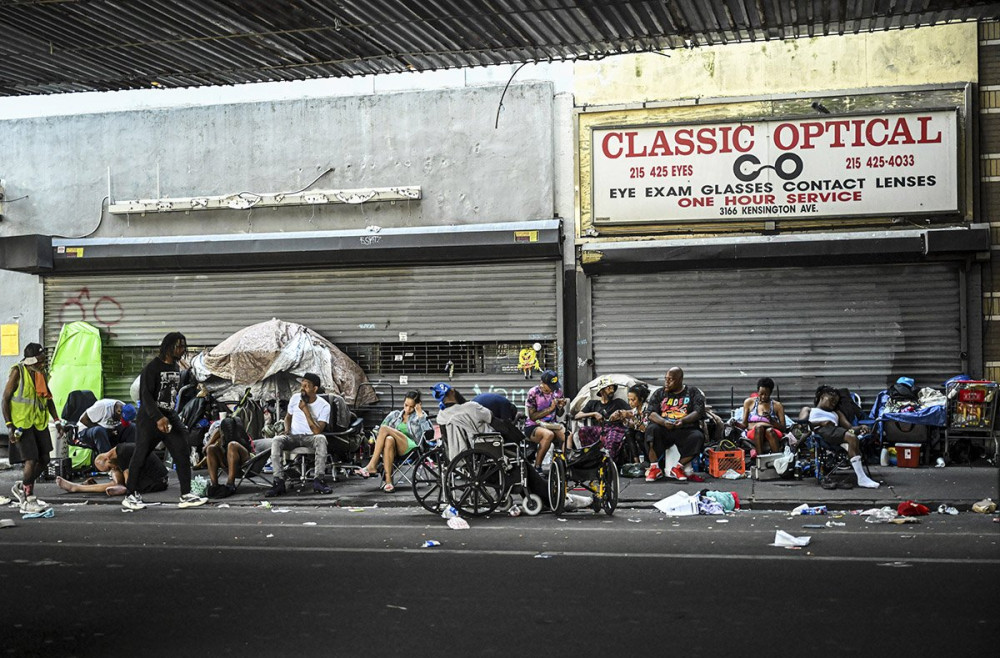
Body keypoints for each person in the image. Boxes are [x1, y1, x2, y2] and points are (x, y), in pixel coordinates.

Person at [122, 332, 207, 511]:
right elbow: (145, 396)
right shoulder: (153, 368)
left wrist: (170, 418)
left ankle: (186, 494)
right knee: (141, 455)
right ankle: (130, 495)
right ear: (168, 347)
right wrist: (158, 417)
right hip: (149, 418)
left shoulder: (176, 367)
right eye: (178, 346)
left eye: (183, 346)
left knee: (182, 449)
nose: (182, 349)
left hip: (169, 415)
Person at [2, 343, 62, 513]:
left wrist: (57, 421)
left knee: (45, 460)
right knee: (31, 459)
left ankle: (22, 486)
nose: (42, 365)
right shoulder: (17, 372)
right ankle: (28, 499)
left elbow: (48, 399)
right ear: (31, 360)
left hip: (38, 422)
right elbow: (5, 400)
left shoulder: (39, 374)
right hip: (21, 424)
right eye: (40, 361)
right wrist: (9, 426)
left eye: (44, 361)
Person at [265, 373, 333, 497]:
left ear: (315, 389)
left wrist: (306, 410)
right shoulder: (295, 398)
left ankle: (319, 480)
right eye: (302, 385)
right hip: (293, 436)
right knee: (276, 440)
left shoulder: (324, 405)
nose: (302, 389)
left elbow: (317, 431)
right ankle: (278, 481)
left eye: (306, 386)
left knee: (321, 439)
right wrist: (286, 429)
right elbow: (288, 417)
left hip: (310, 437)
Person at [355, 390, 432, 493]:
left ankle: (372, 465)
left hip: (412, 449)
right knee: (388, 439)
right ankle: (389, 482)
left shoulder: (420, 416)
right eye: (406, 405)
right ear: (403, 402)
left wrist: (419, 413)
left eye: (411, 406)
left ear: (417, 405)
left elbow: (429, 435)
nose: (408, 409)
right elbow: (378, 431)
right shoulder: (394, 415)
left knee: (384, 429)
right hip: (394, 449)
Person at [808, 387, 880, 489]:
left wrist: (860, 427)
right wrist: (821, 422)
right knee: (851, 437)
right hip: (821, 432)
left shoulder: (836, 413)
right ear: (822, 397)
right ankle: (862, 478)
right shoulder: (810, 410)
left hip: (837, 433)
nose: (833, 403)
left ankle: (862, 477)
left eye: (836, 402)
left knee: (852, 438)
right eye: (831, 400)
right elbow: (802, 423)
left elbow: (849, 428)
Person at [644, 367, 706, 483]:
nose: (666, 382)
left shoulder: (692, 392)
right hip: (664, 428)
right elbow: (650, 413)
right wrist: (663, 422)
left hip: (685, 429)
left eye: (670, 379)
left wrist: (683, 421)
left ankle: (678, 467)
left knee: (698, 436)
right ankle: (654, 468)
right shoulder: (660, 393)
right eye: (666, 379)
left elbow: (699, 411)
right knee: (651, 430)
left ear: (680, 380)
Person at [55, 443, 168, 497]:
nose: (112, 469)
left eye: (109, 467)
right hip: (157, 478)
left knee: (117, 482)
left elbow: (130, 484)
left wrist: (120, 486)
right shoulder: (119, 451)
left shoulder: (122, 453)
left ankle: (77, 488)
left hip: (157, 481)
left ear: (107, 458)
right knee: (116, 472)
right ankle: (118, 485)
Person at [204, 416, 268, 498]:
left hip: (247, 462)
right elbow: (218, 432)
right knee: (211, 448)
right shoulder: (221, 435)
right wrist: (207, 445)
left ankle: (230, 484)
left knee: (232, 445)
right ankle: (214, 485)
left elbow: (247, 449)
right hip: (228, 461)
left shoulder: (241, 435)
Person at [574, 376, 630, 459]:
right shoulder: (593, 403)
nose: (612, 391)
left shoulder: (618, 402)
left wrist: (620, 413)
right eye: (608, 388)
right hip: (599, 429)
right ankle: (590, 457)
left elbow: (632, 412)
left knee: (611, 439)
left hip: (615, 428)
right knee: (583, 431)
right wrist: (594, 414)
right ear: (602, 391)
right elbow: (577, 416)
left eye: (612, 388)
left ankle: (608, 462)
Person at [524, 369, 568, 472]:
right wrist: (550, 409)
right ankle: (537, 466)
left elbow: (559, 414)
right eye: (550, 387)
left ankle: (565, 464)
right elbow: (532, 416)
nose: (553, 390)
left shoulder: (558, 391)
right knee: (548, 435)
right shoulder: (533, 393)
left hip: (551, 424)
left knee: (567, 434)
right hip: (534, 425)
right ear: (542, 383)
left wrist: (560, 407)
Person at [737, 377, 786, 455]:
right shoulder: (749, 402)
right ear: (758, 391)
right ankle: (761, 458)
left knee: (769, 431)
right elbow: (744, 425)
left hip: (772, 431)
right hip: (754, 431)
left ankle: (776, 459)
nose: (763, 397)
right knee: (759, 428)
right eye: (761, 394)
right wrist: (735, 424)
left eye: (766, 394)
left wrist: (772, 421)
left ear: (771, 392)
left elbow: (783, 428)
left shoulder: (777, 406)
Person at [617, 382, 651, 465]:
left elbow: (644, 429)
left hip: (650, 435)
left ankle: (650, 460)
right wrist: (624, 419)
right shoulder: (635, 410)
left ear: (641, 399)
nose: (630, 403)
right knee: (628, 432)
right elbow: (634, 426)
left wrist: (632, 417)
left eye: (633, 400)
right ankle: (636, 462)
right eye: (629, 400)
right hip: (641, 432)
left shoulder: (648, 409)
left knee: (639, 436)